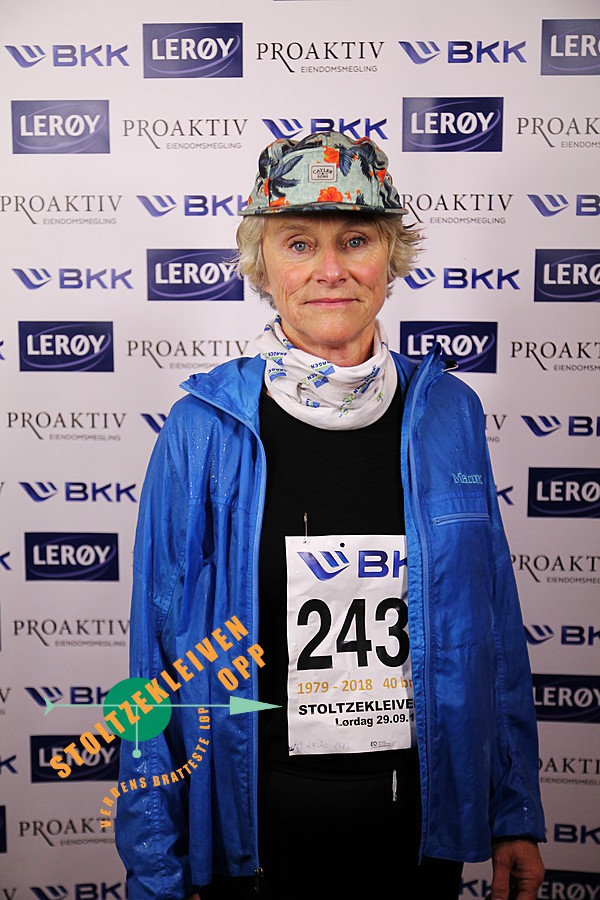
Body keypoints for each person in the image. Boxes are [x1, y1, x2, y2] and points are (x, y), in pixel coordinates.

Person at [116, 132, 545, 900]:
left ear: (390, 256)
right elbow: (155, 662)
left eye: (355, 240)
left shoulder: (449, 412)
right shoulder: (204, 428)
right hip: (259, 841)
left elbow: (496, 624)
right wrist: (157, 870)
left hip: (417, 837)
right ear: (262, 265)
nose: (330, 270)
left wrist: (514, 810)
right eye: (299, 244)